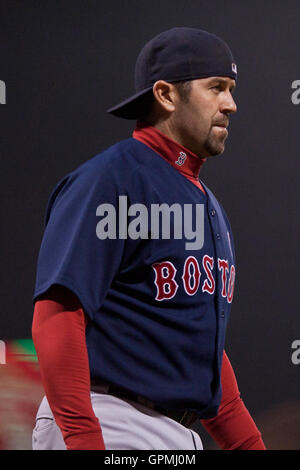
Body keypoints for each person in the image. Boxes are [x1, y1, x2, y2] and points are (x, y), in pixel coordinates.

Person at [31, 27, 266, 450]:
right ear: (166, 94)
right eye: (216, 87)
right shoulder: (113, 180)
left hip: (171, 432)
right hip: (108, 418)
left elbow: (199, 351)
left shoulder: (206, 203)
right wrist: (84, 439)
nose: (230, 104)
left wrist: (248, 444)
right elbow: (58, 313)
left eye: (230, 89)